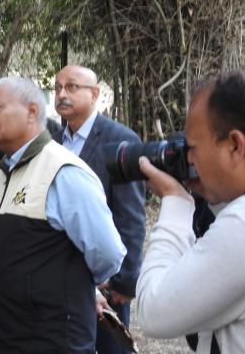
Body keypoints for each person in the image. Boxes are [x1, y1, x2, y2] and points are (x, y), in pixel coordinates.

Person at [136, 69, 245, 353]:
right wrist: (215, 196)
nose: (189, 158)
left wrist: (175, 202)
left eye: (192, 146)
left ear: (234, 145)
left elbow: (153, 312)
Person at [0, 77, 125, 353]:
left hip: (54, 342)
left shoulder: (64, 173)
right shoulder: (2, 175)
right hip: (10, 341)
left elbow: (107, 253)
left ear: (32, 111)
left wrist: (80, 287)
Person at [51, 65, 146, 354]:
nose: (62, 94)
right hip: (60, 276)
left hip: (105, 281)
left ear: (95, 94)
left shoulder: (120, 140)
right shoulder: (53, 142)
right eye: (57, 88)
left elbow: (131, 217)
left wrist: (124, 282)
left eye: (71, 87)